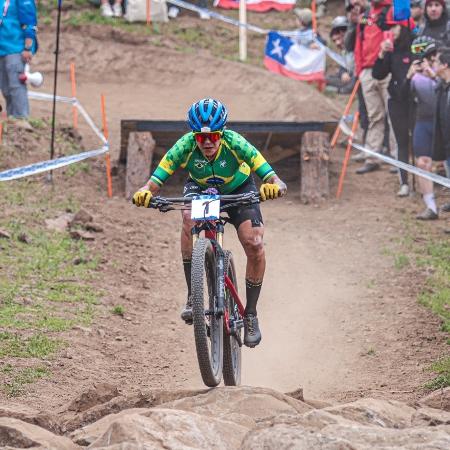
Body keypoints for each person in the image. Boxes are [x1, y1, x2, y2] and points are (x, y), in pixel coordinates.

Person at [132, 98, 287, 348]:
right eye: (200, 137)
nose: (206, 143)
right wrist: (146, 191)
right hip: (201, 188)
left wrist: (274, 184)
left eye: (213, 137)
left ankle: (250, 314)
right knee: (187, 217)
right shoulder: (185, 145)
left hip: (239, 188)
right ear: (193, 135)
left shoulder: (235, 142)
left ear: (222, 133)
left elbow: (268, 172)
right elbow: (161, 172)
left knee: (255, 243)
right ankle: (194, 296)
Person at [348, 0, 402, 174]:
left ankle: (398, 158)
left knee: (393, 114)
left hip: (387, 69)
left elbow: (401, 36)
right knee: (374, 116)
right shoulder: (365, 16)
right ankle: (372, 156)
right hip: (367, 71)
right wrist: (359, 69)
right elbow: (359, 42)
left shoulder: (392, 11)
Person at [373, 23, 413, 196]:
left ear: (403, 27)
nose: (392, 31)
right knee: (402, 142)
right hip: (397, 101)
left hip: (416, 102)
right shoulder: (391, 50)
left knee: (417, 144)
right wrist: (381, 54)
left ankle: (423, 180)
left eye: (395, 27)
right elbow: (378, 74)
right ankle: (404, 182)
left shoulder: (414, 47)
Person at [404, 36, 439, 219]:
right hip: (422, 120)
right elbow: (401, 97)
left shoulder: (442, 68)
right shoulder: (415, 74)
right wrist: (409, 76)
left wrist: (434, 74)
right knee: (422, 162)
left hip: (443, 122)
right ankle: (431, 206)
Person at [0, 0, 37, 119]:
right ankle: (12, 120)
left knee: (16, 86)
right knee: (5, 88)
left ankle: (21, 119)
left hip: (16, 48)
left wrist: (28, 47)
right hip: (2, 48)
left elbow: (30, 22)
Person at [432, 47, 450, 214]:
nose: (433, 64)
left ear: (445, 65)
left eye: (436, 61)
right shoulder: (442, 86)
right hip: (446, 143)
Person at [326, 16, 355, 94]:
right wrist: (343, 73)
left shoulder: (356, 47)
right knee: (327, 79)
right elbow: (343, 66)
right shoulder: (344, 52)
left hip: (356, 82)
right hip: (348, 79)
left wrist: (340, 91)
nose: (337, 43)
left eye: (339, 39)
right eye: (334, 41)